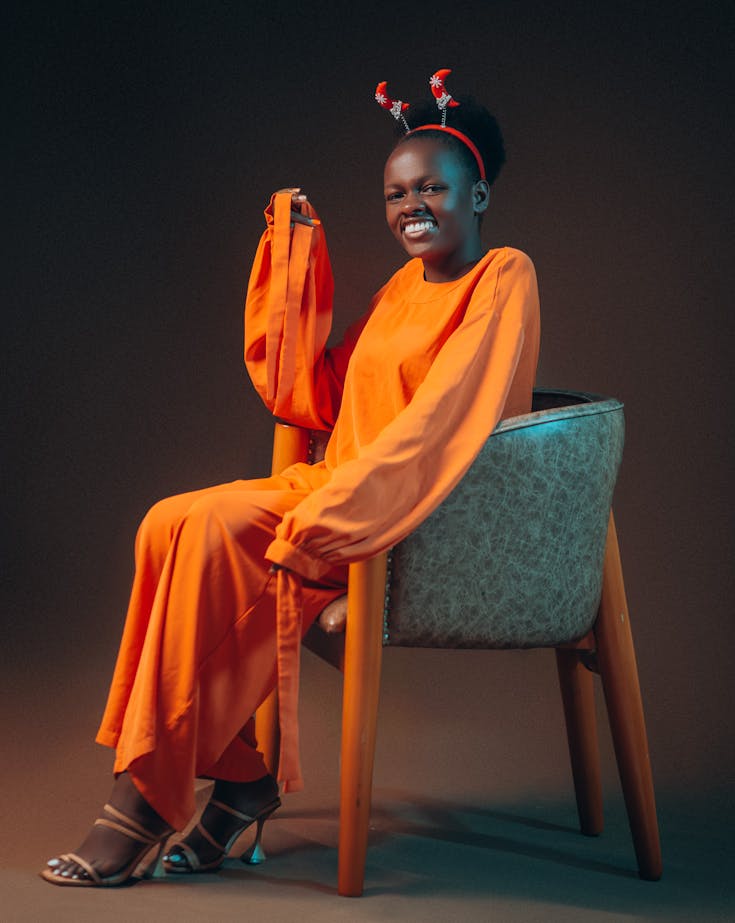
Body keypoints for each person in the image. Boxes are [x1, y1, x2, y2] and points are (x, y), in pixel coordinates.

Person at [41, 78, 541, 887]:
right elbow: (313, 396)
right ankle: (238, 771)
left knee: (213, 533)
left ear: (477, 194)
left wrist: (337, 513)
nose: (411, 204)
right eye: (395, 193)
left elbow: (446, 418)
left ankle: (142, 796)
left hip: (404, 512)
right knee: (167, 521)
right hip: (340, 482)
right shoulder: (397, 290)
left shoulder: (503, 276)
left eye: (431, 188)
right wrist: (292, 260)